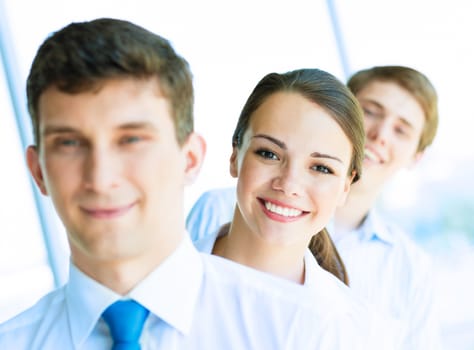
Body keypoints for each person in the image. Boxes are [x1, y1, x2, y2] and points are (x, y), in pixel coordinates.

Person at [0, 18, 368, 349]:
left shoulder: (306, 332)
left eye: (132, 140)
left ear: (190, 159)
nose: (101, 177)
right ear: (38, 170)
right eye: (69, 143)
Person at [186, 65, 442, 349]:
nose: (290, 184)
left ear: (346, 183)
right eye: (268, 153)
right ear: (235, 156)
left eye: (321, 167)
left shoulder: (360, 325)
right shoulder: (167, 270)